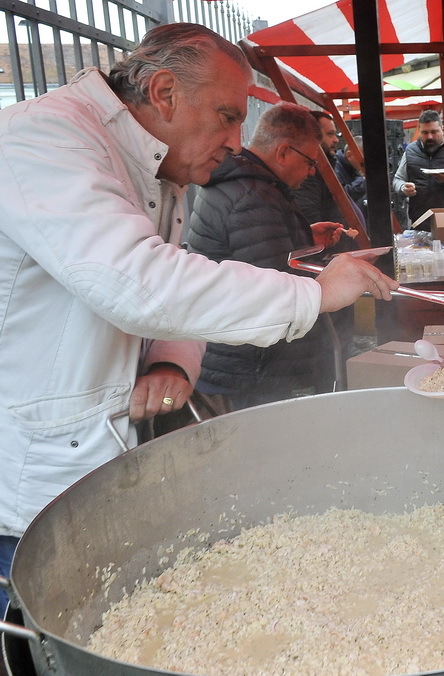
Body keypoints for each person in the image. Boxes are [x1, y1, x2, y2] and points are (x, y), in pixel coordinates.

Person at [0, 23, 397, 610]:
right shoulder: (44, 138)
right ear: (163, 92)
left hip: (104, 457)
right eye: (227, 115)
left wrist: (171, 359)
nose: (237, 140)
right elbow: (132, 281)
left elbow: (174, 277)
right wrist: (311, 296)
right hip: (28, 486)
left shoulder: (153, 159)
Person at [187, 103, 357, 409]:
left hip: (241, 360)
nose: (310, 172)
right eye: (309, 162)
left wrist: (304, 237)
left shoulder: (249, 187)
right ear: (283, 152)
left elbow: (261, 257)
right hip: (253, 366)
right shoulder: (252, 195)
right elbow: (274, 286)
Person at [294, 110, 366, 233]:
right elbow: (311, 219)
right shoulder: (309, 175)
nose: (336, 140)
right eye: (330, 134)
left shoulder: (326, 169)